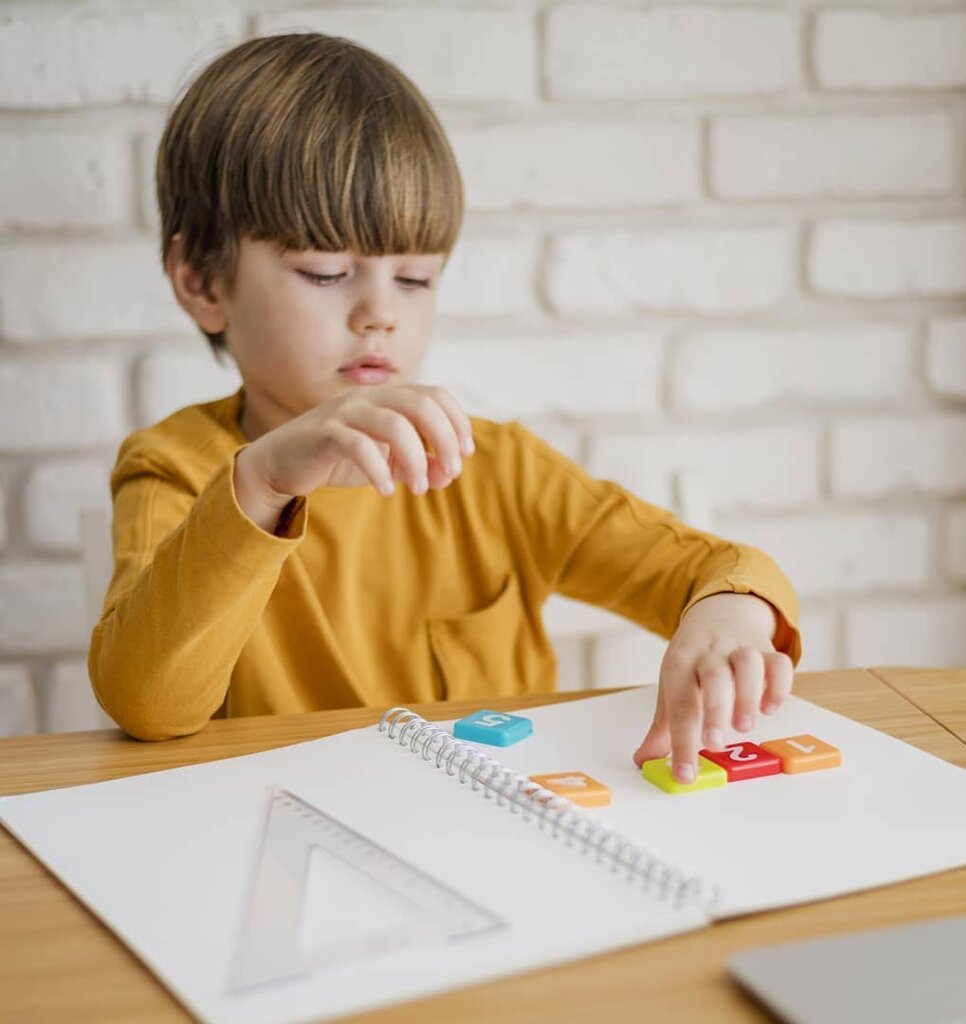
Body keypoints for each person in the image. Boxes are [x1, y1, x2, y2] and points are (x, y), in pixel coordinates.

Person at [89, 33, 801, 784]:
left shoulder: (494, 468)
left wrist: (730, 615)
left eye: (417, 279)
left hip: (503, 845)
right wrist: (261, 487)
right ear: (202, 281)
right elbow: (148, 703)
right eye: (325, 272)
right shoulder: (172, 468)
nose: (379, 314)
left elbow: (724, 568)